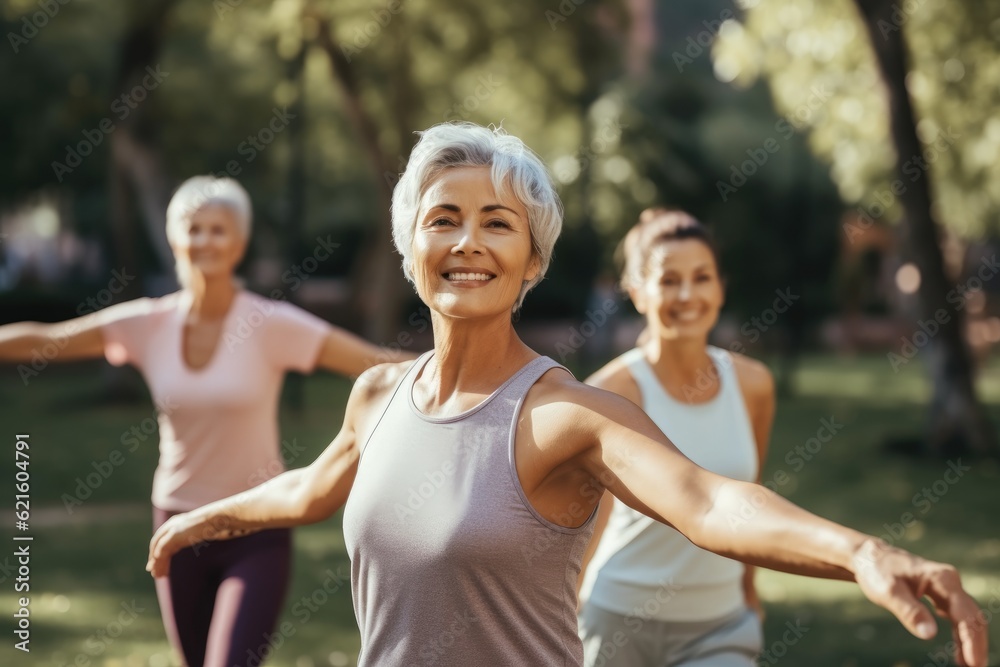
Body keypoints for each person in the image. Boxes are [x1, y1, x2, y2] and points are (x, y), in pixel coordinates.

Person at [145, 124, 988, 667]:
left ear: (531, 261)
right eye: (444, 218)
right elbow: (310, 487)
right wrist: (204, 517)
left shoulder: (565, 414)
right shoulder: (378, 393)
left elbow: (708, 500)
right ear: (412, 245)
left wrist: (860, 552)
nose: (468, 240)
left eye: (498, 222)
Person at [0, 176, 412, 667]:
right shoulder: (147, 323)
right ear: (175, 238)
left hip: (257, 524)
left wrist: (477, 369)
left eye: (219, 229)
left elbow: (375, 364)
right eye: (194, 229)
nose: (205, 241)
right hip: (176, 523)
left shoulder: (271, 323)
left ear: (239, 241)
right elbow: (50, 340)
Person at [577, 209, 772, 666]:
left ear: (720, 287)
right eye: (668, 281)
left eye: (701, 277)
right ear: (637, 293)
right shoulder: (607, 391)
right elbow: (584, 520)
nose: (687, 295)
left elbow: (751, 496)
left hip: (721, 625)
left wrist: (749, 591)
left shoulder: (754, 384)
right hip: (616, 623)